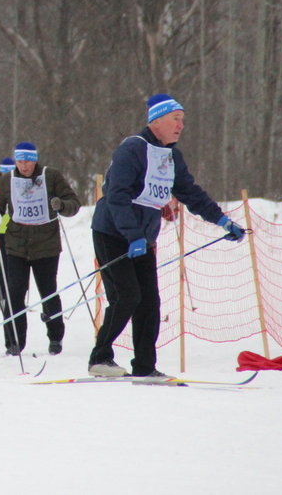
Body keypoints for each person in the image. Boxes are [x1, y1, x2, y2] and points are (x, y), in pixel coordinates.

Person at [88, 94, 246, 378]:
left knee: (149, 302)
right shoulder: (132, 149)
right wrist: (132, 235)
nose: (181, 125)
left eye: (182, 120)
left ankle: (145, 367)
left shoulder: (171, 157)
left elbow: (190, 193)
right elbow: (116, 196)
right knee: (127, 296)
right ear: (157, 120)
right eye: (176, 118)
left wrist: (221, 220)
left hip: (143, 238)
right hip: (112, 232)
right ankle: (100, 359)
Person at [0, 142, 81, 356]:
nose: (25, 166)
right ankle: (14, 342)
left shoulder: (50, 176)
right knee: (14, 294)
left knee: (48, 291)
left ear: (35, 160)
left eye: (29, 161)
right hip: (15, 246)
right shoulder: (7, 180)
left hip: (46, 246)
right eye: (21, 161)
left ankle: (55, 337)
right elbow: (1, 212)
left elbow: (74, 203)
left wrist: (61, 205)